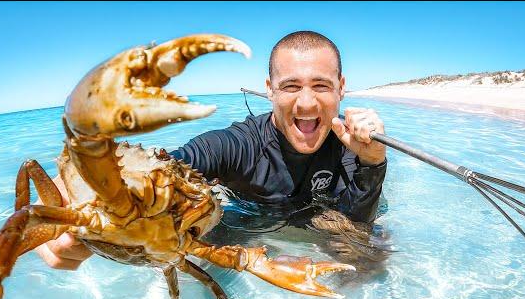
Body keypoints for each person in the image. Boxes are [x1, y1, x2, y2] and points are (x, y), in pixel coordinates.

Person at [35, 31, 387, 270]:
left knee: (368, 256)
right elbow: (170, 165)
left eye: (321, 86)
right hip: (245, 222)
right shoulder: (239, 144)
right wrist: (87, 181)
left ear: (341, 88)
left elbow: (359, 224)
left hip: (315, 220)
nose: (307, 102)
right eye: (291, 86)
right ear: (270, 91)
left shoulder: (350, 142)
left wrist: (373, 162)